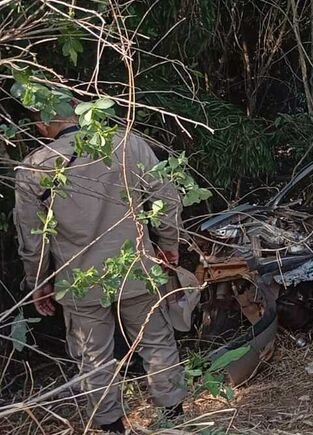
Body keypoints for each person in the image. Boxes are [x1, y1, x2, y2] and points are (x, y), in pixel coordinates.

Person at [14, 113, 186, 433]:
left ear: (40, 125)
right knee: (156, 341)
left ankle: (111, 426)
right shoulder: (126, 143)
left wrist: (38, 281)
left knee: (93, 357)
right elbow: (166, 197)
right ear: (78, 107)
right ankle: (175, 418)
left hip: (78, 281)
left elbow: (32, 237)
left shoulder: (35, 166)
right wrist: (168, 244)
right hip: (136, 268)